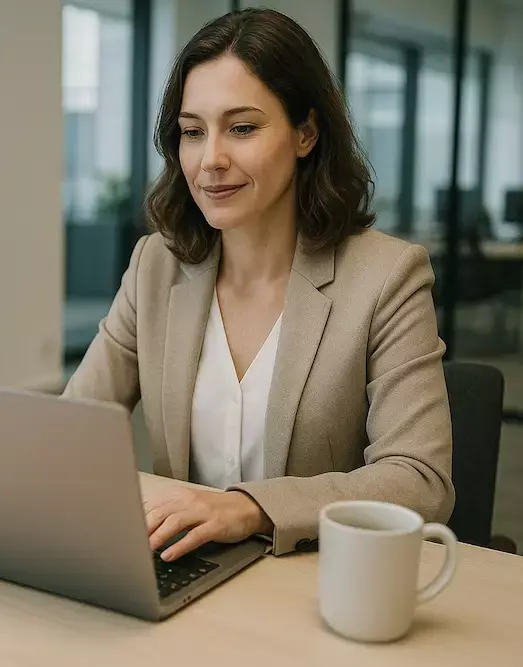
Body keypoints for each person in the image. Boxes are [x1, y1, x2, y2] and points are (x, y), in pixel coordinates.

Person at [62, 9, 454, 561]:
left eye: (242, 128)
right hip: (182, 569)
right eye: (193, 132)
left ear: (306, 132)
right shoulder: (156, 264)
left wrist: (249, 508)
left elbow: (420, 479)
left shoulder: (387, 277)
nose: (211, 160)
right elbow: (72, 426)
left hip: (315, 582)